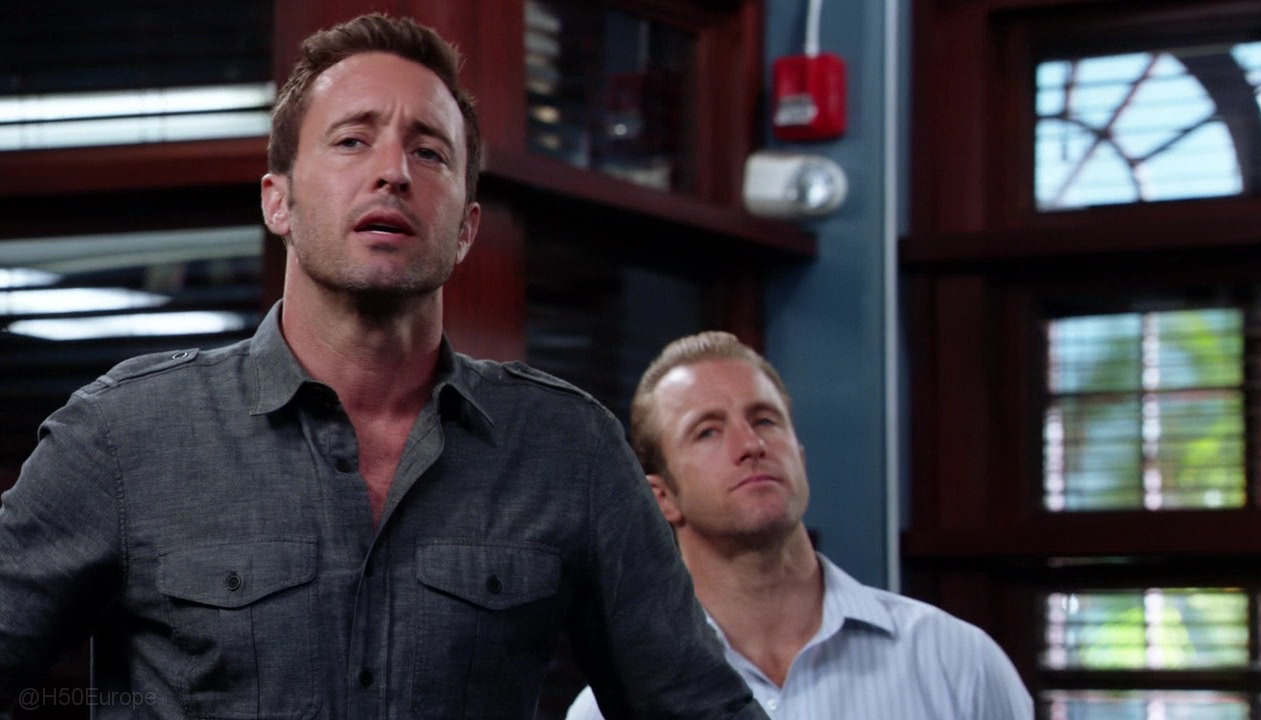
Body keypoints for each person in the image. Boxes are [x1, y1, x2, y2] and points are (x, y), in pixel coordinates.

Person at [0, 15, 767, 720]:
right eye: (352, 141)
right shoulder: (125, 436)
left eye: (429, 152)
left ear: (465, 229)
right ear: (278, 202)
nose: (394, 171)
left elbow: (701, 709)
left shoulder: (568, 449)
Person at [566, 331, 1033, 720]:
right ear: (661, 498)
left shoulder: (957, 661)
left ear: (800, 456)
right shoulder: (612, 710)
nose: (751, 445)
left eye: (765, 420)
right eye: (708, 431)